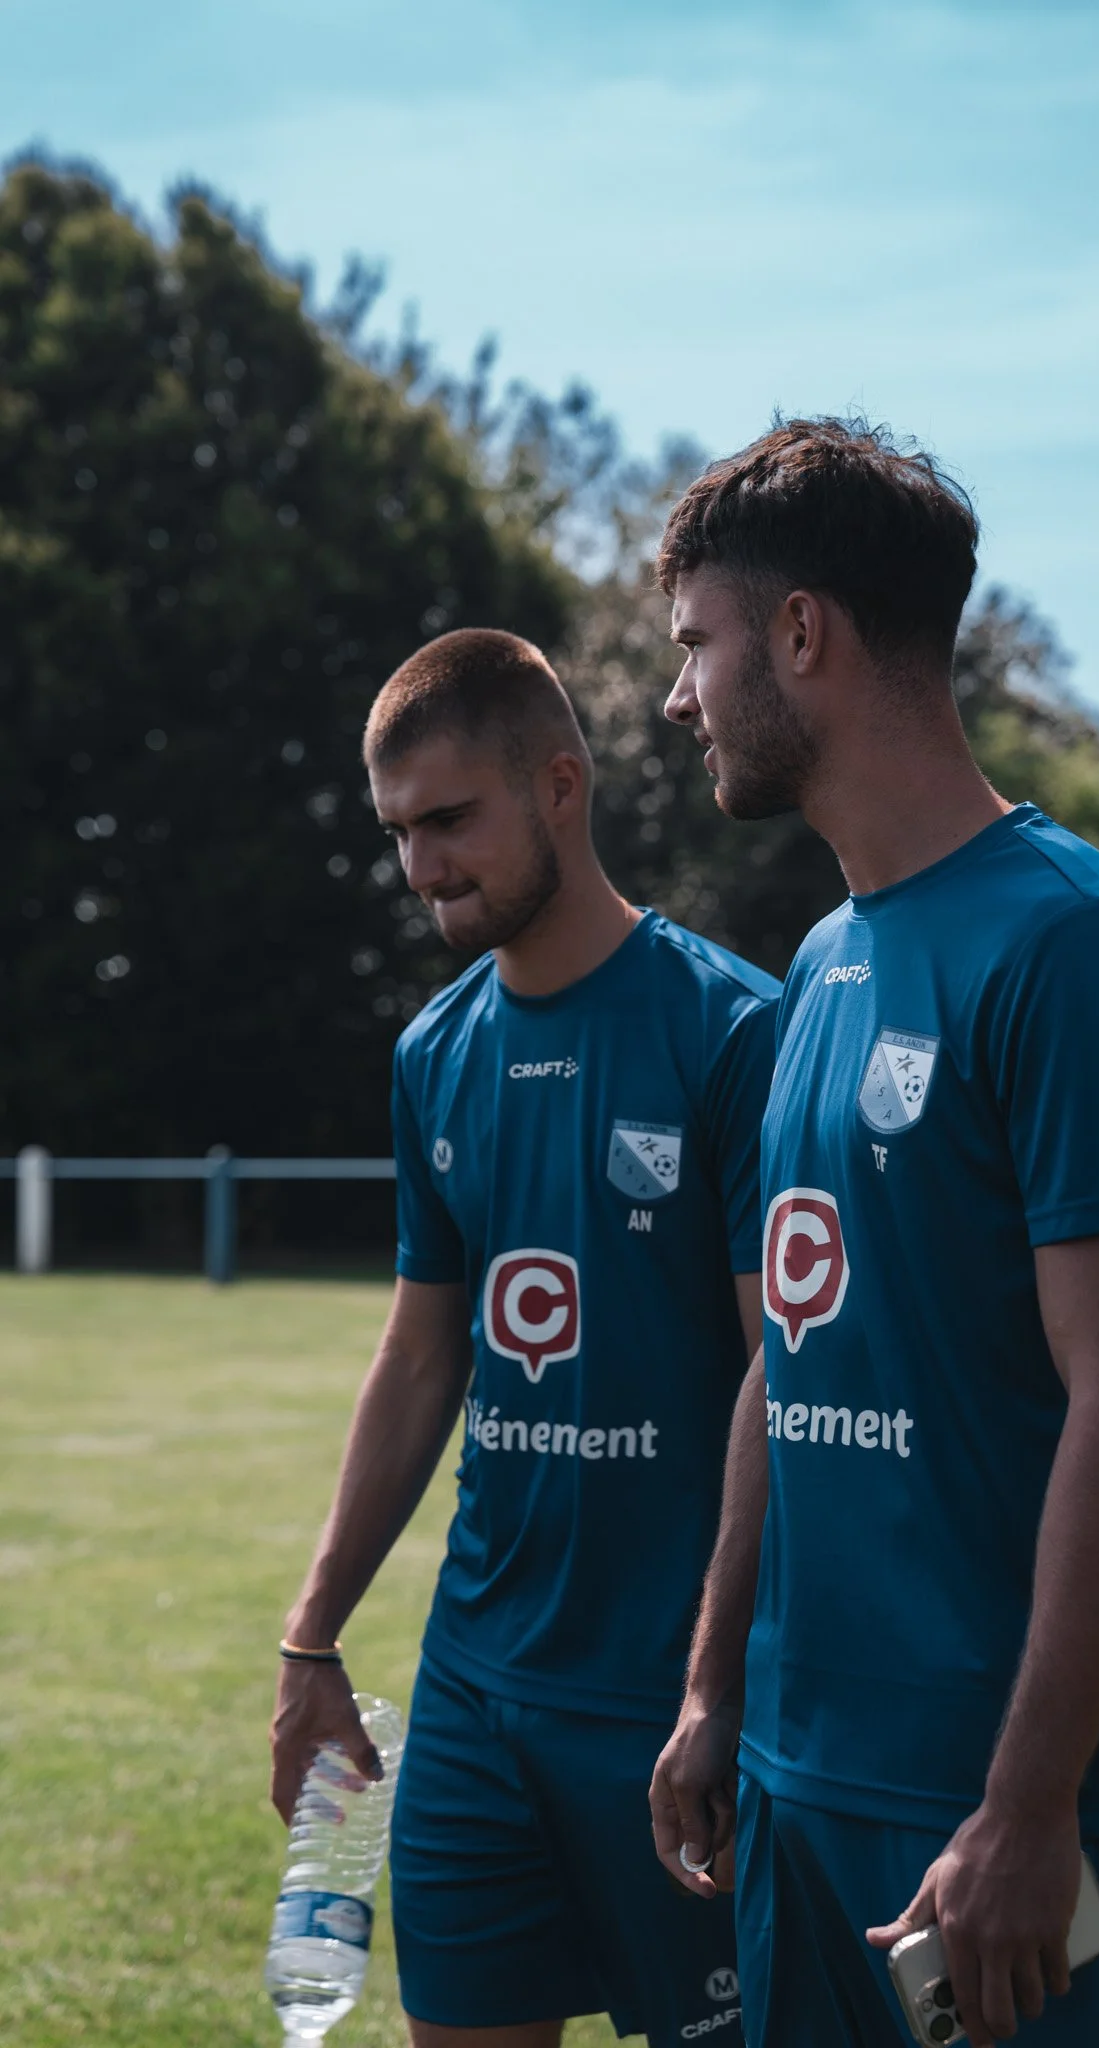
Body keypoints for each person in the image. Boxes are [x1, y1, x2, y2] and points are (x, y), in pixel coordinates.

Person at [647, 420, 1099, 2048]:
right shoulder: (816, 966)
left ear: (800, 634)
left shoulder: (1069, 942)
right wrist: (711, 1692)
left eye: (696, 644)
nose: (679, 696)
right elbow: (783, 1363)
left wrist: (1030, 1806)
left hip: (991, 1829)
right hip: (792, 1790)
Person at [271, 628, 777, 2048]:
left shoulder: (729, 1029)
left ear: (561, 785)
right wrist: (313, 1635)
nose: (420, 867)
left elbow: (780, 1379)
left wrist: (722, 1678)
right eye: (397, 833)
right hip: (481, 1692)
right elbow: (423, 1356)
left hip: (673, 1701)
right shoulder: (433, 1054)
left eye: (449, 821)